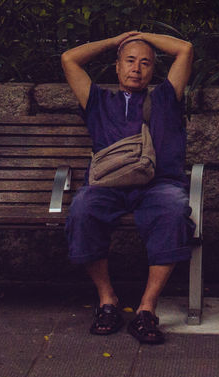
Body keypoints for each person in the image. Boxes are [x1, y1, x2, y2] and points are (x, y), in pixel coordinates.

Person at [61, 31, 195, 344]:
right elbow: (69, 59)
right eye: (130, 61)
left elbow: (185, 50)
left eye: (145, 63)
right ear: (118, 67)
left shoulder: (165, 97)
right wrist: (116, 41)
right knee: (82, 210)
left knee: (173, 210)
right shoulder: (97, 100)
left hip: (158, 184)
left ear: (152, 71)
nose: (136, 68)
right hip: (108, 186)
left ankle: (147, 309)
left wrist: (142, 35)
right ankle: (107, 300)